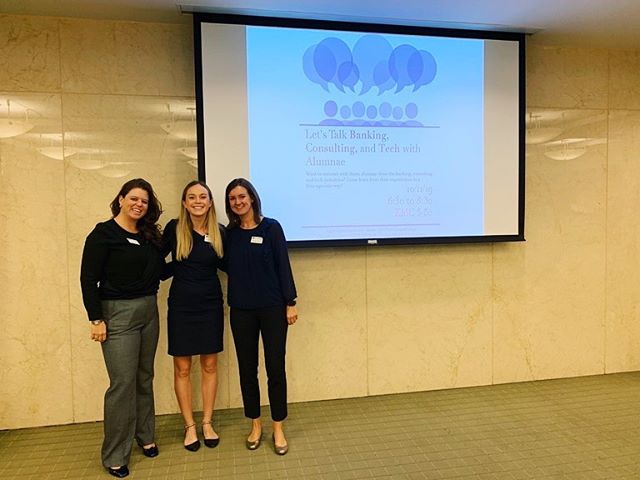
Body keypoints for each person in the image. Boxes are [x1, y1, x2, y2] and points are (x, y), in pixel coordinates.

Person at [80, 178, 164, 478]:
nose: (139, 204)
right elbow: (88, 279)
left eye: (144, 201)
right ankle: (115, 454)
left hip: (149, 310)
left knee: (144, 377)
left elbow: (158, 271)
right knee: (122, 384)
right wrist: (96, 319)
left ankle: (145, 436)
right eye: (134, 199)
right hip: (117, 315)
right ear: (121, 198)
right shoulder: (103, 234)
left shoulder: (148, 235)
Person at [224, 178, 298, 456]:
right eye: (232, 198)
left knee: (275, 369)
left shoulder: (272, 228)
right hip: (241, 310)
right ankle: (255, 424)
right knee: (247, 370)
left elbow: (283, 265)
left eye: (242, 196)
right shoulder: (230, 234)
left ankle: (278, 426)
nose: (238, 202)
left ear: (252, 198)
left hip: (272, 309)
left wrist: (290, 302)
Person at [161, 181, 225, 452]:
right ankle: (189, 426)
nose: (198, 201)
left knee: (210, 365)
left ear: (210, 202)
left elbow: (233, 265)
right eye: (192, 197)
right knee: (183, 368)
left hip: (210, 306)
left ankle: (207, 422)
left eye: (203, 197)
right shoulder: (174, 229)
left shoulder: (219, 232)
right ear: (184, 203)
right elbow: (154, 263)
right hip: (181, 307)